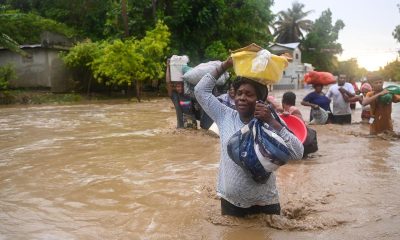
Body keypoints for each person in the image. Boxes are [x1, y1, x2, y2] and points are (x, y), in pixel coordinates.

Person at [194, 58, 303, 217]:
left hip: (266, 203)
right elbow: (200, 91)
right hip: (232, 203)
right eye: (239, 93)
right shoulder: (225, 116)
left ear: (260, 99)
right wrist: (225, 65)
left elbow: (298, 153)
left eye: (248, 94)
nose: (242, 98)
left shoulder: (269, 119)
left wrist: (271, 121)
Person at [166, 60, 197, 129]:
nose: (177, 88)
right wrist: (168, 67)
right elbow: (168, 83)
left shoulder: (190, 94)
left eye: (179, 86)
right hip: (181, 128)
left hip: (192, 127)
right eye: (176, 86)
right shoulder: (175, 97)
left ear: (184, 85)